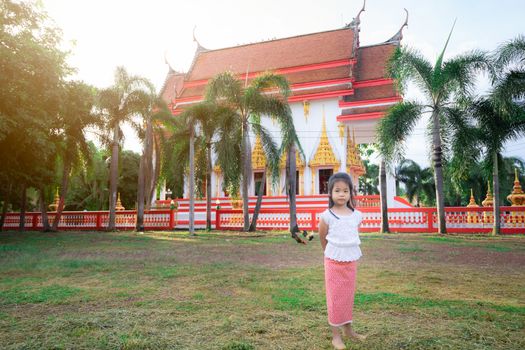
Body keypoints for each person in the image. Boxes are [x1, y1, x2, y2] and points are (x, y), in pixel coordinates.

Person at [318, 172, 366, 349]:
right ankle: (335, 335)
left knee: (347, 296)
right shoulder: (327, 216)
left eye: (345, 190)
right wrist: (331, 253)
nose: (341, 194)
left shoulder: (356, 215)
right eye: (337, 190)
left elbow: (353, 235)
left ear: (350, 193)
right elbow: (322, 237)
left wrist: (346, 253)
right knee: (335, 297)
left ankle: (348, 330)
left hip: (350, 261)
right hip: (333, 262)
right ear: (330, 192)